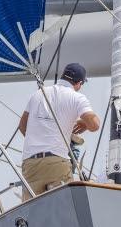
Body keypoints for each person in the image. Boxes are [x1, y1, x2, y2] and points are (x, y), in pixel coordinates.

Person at [18, 63, 100, 199]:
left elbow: (22, 126)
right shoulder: (77, 98)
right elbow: (94, 125)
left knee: (32, 214)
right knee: (64, 209)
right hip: (57, 162)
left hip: (30, 163)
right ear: (79, 83)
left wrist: (39, 140)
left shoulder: (38, 94)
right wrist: (84, 123)